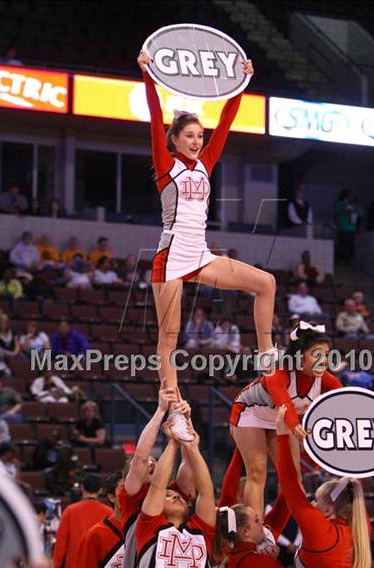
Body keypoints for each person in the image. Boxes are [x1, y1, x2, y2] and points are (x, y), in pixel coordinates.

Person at [138, 49, 277, 440]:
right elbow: (153, 115)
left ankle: (267, 355)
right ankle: (175, 410)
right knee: (168, 338)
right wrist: (147, 74)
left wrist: (243, 82)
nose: (198, 141)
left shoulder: (205, 162)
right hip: (169, 257)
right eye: (190, 136)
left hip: (200, 255)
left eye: (200, 136)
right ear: (175, 139)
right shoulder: (167, 165)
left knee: (266, 283)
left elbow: (228, 120)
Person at [230, 323, 342, 518]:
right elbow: (284, 405)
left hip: (279, 421)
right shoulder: (278, 373)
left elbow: (349, 405)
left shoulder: (327, 380)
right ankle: (255, 531)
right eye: (317, 354)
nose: (323, 361)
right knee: (257, 472)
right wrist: (295, 425)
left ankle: (287, 527)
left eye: (326, 355)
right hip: (250, 412)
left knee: (293, 477)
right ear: (299, 356)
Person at [275, 404, 371, 568]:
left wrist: (282, 436)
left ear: (328, 510)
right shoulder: (361, 528)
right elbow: (354, 483)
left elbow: (290, 484)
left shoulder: (321, 531)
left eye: (316, 500)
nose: (311, 504)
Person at [119, 386, 194, 568]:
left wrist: (185, 421)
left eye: (155, 460)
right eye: (147, 464)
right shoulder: (133, 498)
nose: (151, 462)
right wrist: (161, 410)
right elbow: (140, 456)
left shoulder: (173, 494)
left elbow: (189, 463)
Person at [135, 416, 216, 568]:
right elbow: (157, 485)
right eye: (167, 496)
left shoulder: (200, 531)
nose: (175, 495)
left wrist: (192, 448)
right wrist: (173, 442)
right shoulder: (149, 527)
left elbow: (206, 493)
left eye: (174, 494)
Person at [53, 473, 113, 568]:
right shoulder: (109, 512)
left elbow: (61, 544)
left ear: (81, 488)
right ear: (101, 490)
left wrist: (56, 565)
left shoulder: (70, 511)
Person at [79, 472, 124, 568]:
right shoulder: (95, 535)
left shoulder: (146, 530)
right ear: (111, 497)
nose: (129, 493)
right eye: (123, 489)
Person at [214, 504, 282, 567]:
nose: (262, 522)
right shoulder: (257, 562)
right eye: (257, 520)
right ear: (245, 531)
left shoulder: (226, 560)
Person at [334, 189, 358, 262]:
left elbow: (360, 213)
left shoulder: (352, 204)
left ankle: (348, 261)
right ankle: (340, 260)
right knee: (342, 245)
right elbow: (337, 212)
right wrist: (347, 210)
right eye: (350, 195)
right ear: (346, 196)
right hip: (342, 228)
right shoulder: (339, 203)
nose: (351, 197)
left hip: (351, 228)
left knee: (349, 246)